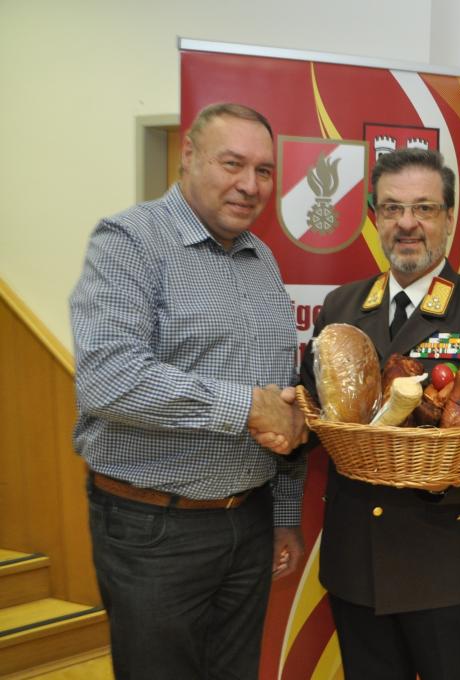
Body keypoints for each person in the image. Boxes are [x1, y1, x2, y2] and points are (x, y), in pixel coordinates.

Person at [70, 102, 308, 679]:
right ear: (190, 156)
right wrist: (243, 407)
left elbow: (280, 396)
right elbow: (108, 374)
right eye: (232, 163)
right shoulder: (129, 241)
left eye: (264, 171)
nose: (250, 185)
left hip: (248, 522)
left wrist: (282, 513)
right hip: (154, 528)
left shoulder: (261, 259)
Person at [298, 148, 460, 680]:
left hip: (441, 564)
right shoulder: (341, 308)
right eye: (392, 208)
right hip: (356, 561)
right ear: (374, 217)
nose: (407, 223)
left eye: (424, 208)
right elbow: (314, 405)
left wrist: (440, 477)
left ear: (450, 217)